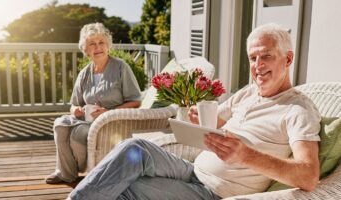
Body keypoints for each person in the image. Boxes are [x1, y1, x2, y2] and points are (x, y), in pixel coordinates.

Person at [67, 23, 321, 199]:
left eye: (266, 56)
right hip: (192, 169)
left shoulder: (297, 109)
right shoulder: (249, 92)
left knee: (124, 189)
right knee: (134, 149)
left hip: (212, 192)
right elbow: (214, 120)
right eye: (253, 58)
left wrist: (247, 156)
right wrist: (196, 120)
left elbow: (309, 175)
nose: (258, 66)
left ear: (287, 59)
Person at [45, 22, 142, 184]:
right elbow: (74, 104)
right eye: (92, 44)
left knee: (77, 134)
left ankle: (83, 169)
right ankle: (65, 173)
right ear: (86, 50)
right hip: (87, 120)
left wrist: (108, 112)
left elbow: (136, 101)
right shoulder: (84, 74)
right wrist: (76, 110)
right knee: (60, 125)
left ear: (108, 46)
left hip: (111, 122)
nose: (98, 47)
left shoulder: (120, 67)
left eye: (101, 43)